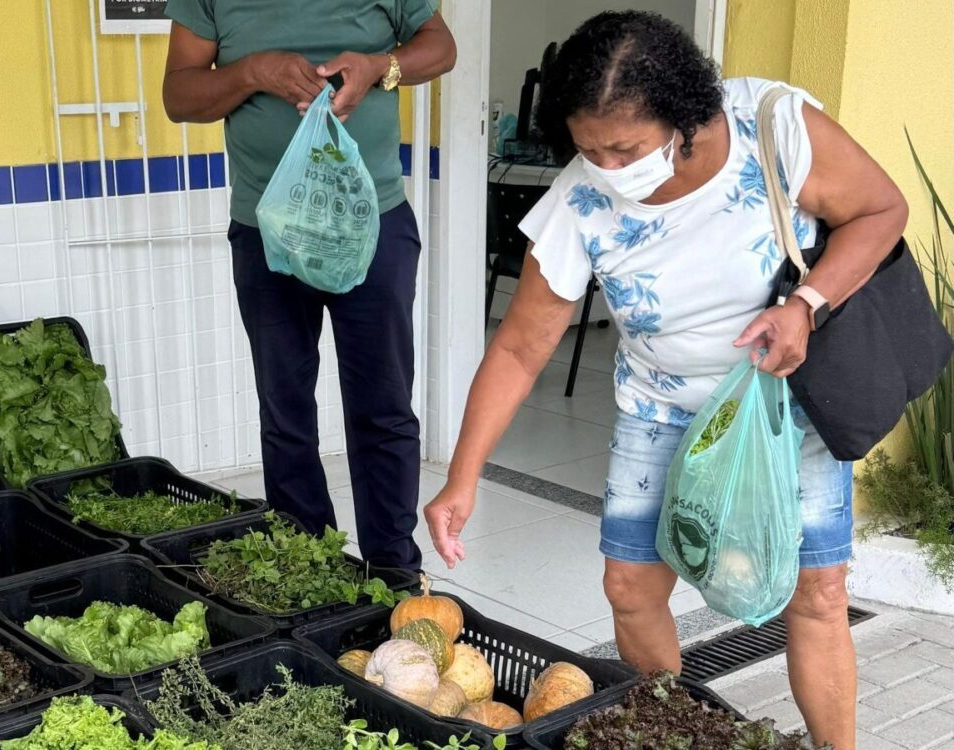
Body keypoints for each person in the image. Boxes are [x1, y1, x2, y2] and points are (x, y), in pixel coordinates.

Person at [424, 12, 907, 750]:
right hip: (661, 406)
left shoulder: (771, 126)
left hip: (784, 407)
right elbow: (520, 349)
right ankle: (678, 730)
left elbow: (881, 209)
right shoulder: (580, 201)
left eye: (626, 148)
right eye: (590, 149)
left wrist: (807, 305)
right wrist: (463, 479)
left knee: (817, 593)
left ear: (684, 117)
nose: (609, 170)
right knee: (631, 588)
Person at [162, 1, 456, 570]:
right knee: (285, 407)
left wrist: (381, 67)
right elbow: (179, 95)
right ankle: (308, 569)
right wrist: (251, 72)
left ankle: (393, 573)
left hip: (372, 223)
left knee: (383, 406)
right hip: (267, 229)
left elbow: (439, 44)